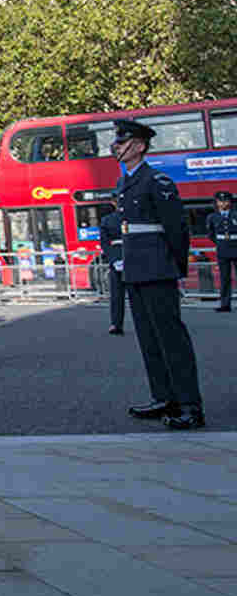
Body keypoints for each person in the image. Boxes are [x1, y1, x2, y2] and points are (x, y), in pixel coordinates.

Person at [112, 118, 204, 430]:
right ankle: (164, 396)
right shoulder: (125, 182)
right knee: (148, 339)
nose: (116, 147)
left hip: (157, 268)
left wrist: (176, 267)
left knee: (171, 339)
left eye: (122, 142)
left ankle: (191, 405)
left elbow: (177, 230)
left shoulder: (157, 180)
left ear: (139, 146)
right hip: (136, 269)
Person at [205, 190, 236, 312]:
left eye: (226, 200)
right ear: (216, 203)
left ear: (230, 202)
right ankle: (225, 304)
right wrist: (220, 244)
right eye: (220, 201)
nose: (223, 203)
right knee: (224, 278)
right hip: (222, 250)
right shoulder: (212, 217)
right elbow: (211, 235)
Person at [99, 210, 125, 335]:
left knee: (117, 295)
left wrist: (114, 259)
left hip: (116, 257)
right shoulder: (135, 214)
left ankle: (116, 323)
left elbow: (104, 244)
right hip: (134, 256)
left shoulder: (107, 220)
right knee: (138, 295)